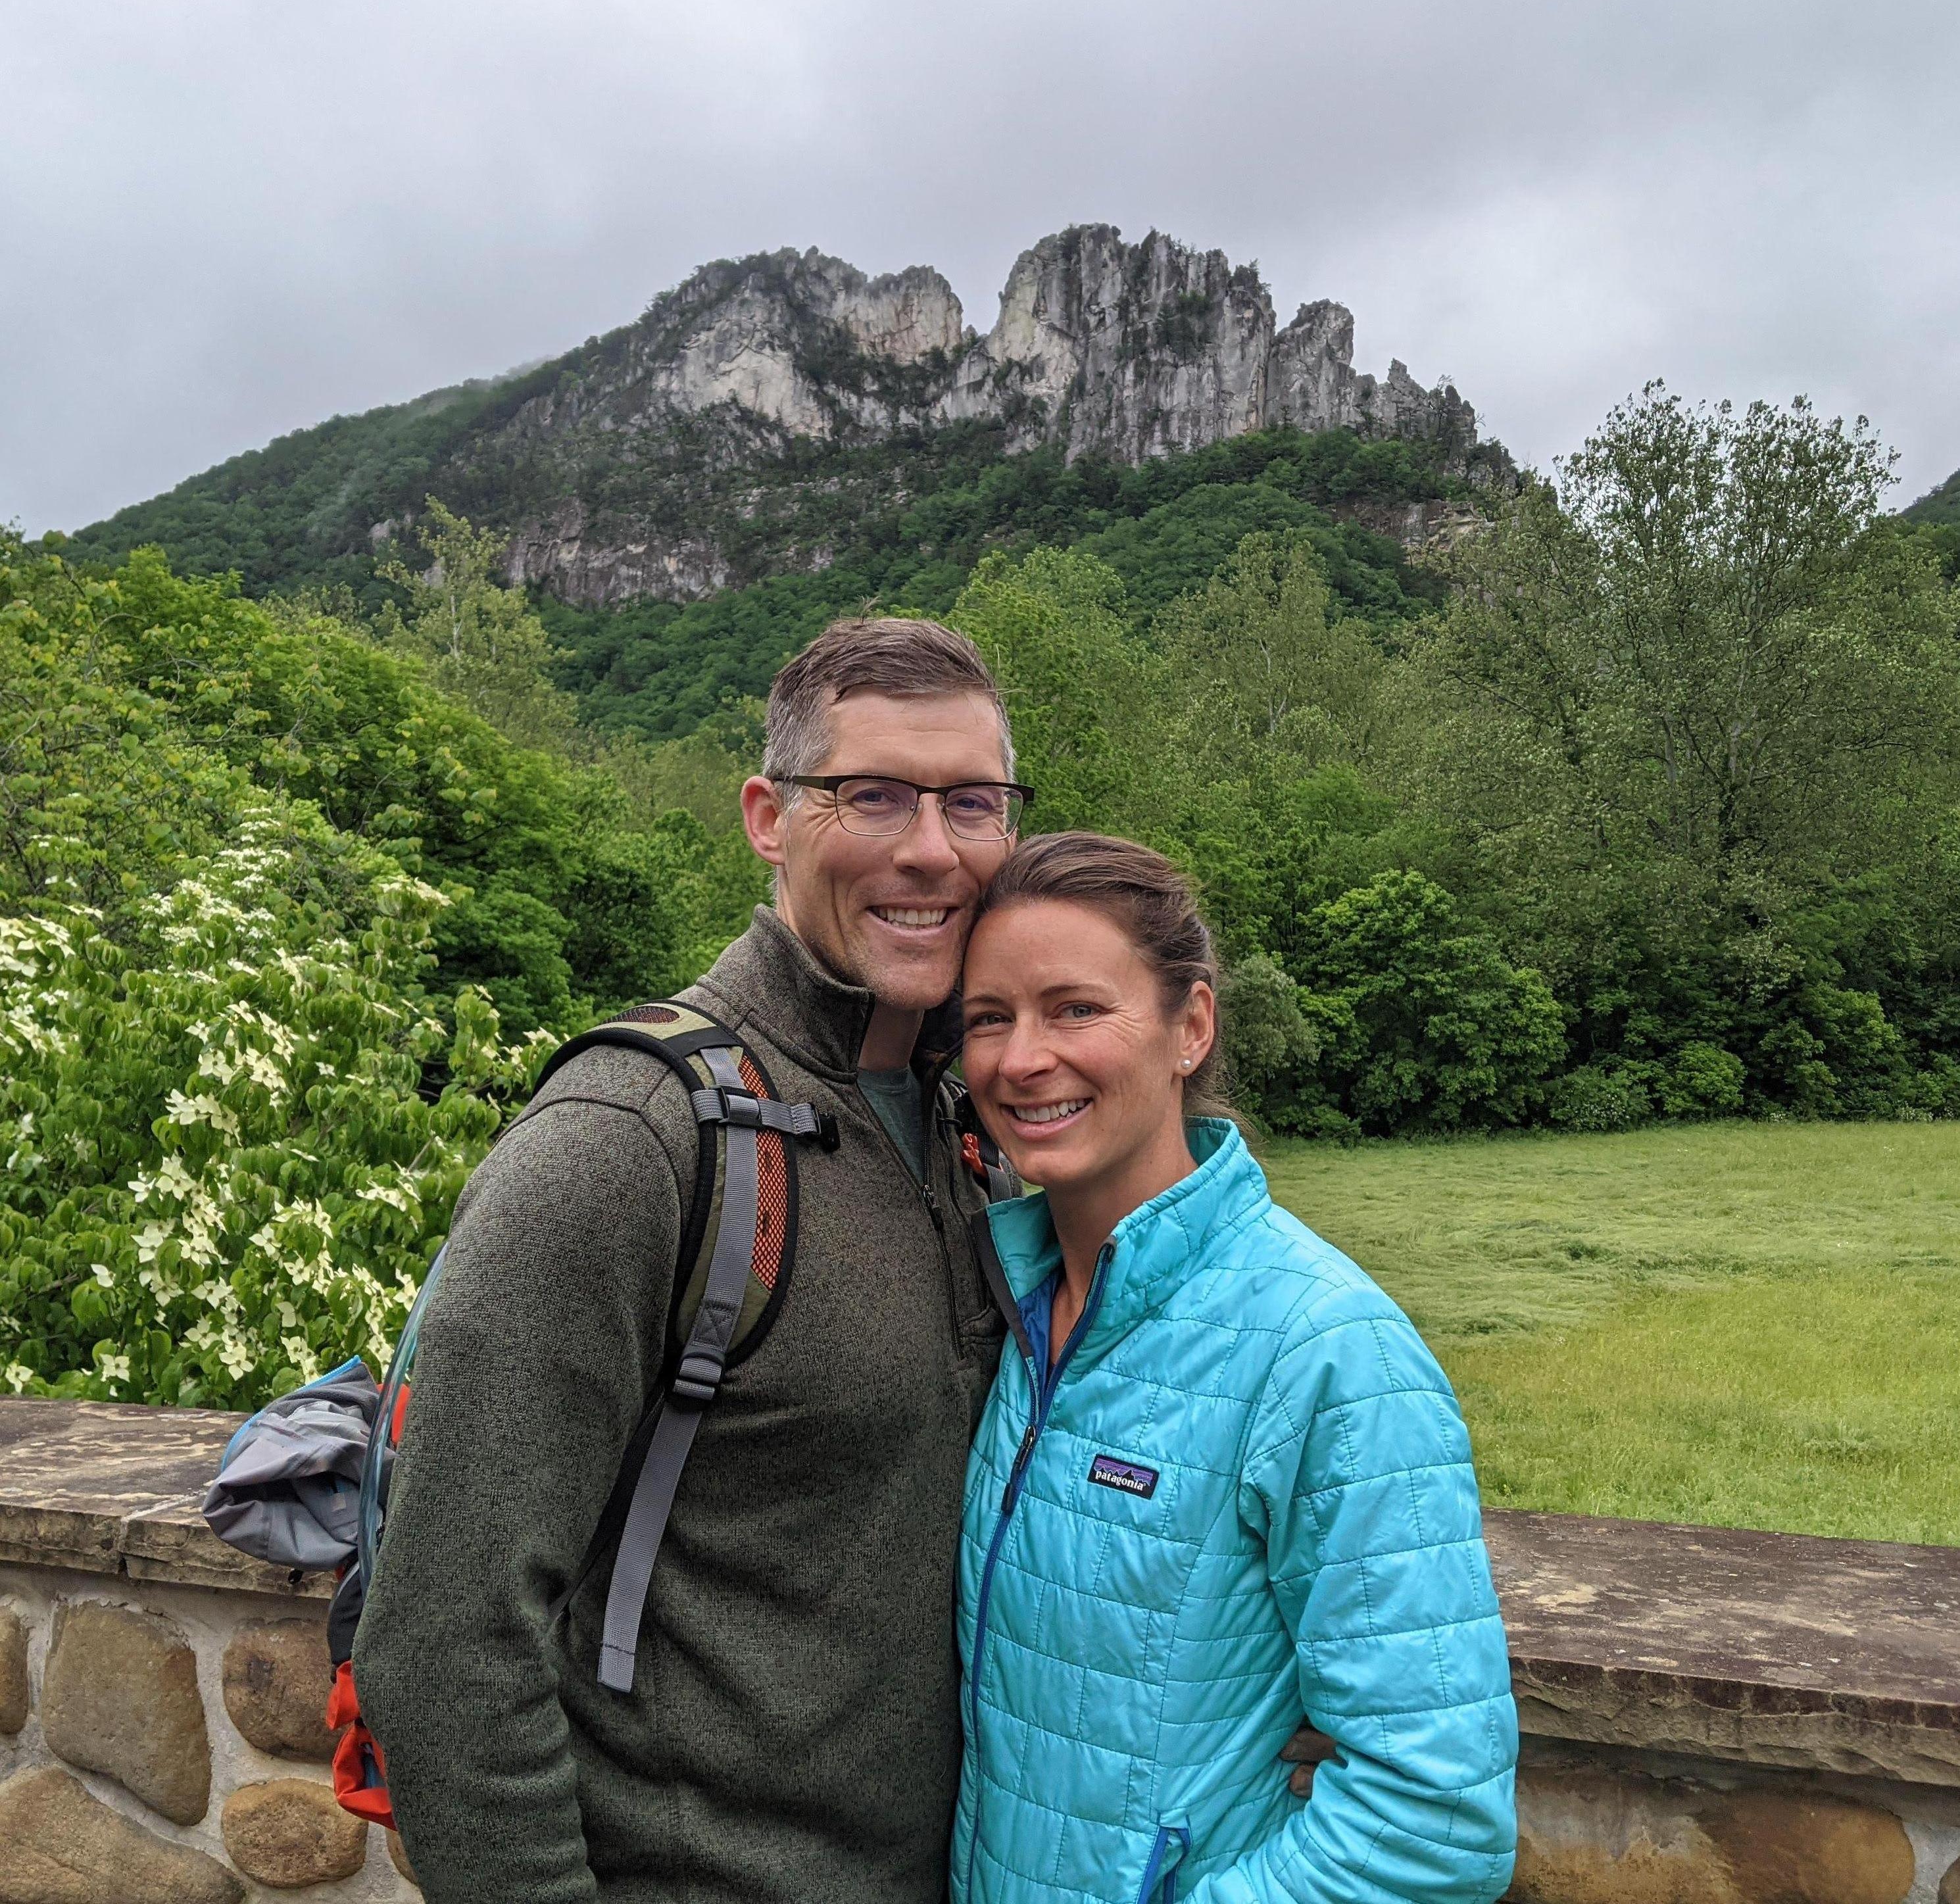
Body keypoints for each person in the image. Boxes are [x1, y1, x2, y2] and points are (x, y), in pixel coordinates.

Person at [355, 617, 1029, 1903]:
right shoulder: (632, 1140)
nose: (931, 848)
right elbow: (446, 1648)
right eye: (872, 795)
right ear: (768, 819)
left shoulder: (960, 1123)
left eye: (971, 803)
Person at [952, 833, 1518, 1904]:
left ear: (1192, 1026)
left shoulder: (1329, 1350)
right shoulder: (1007, 1304)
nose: (1022, 1057)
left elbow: (1435, 1822)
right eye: (990, 1017)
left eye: (1076, 1008)